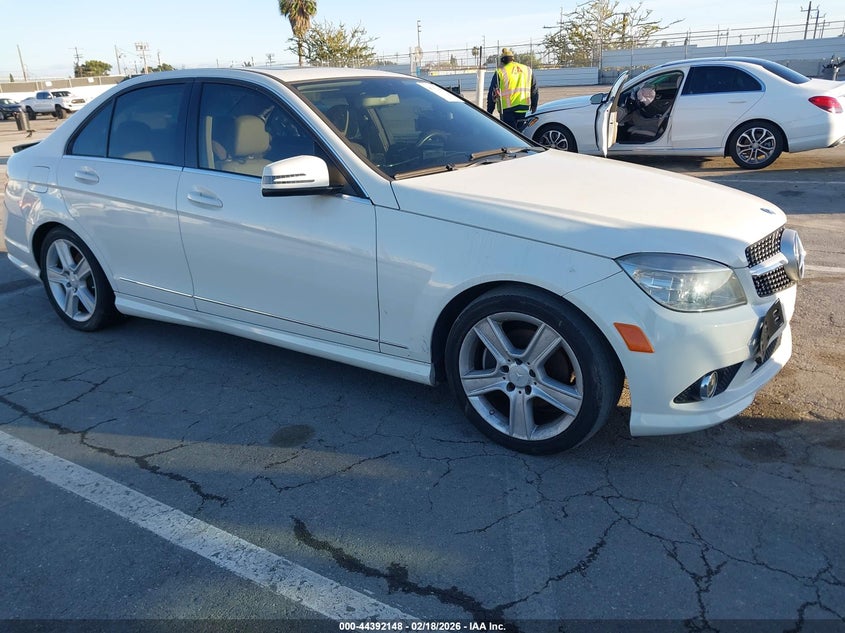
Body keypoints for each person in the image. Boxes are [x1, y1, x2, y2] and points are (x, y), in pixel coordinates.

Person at [486, 48, 539, 130]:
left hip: (507, 110)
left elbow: (492, 93)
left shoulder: (500, 72)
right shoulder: (527, 70)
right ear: (513, 58)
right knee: (518, 134)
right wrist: (534, 105)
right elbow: (534, 89)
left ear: (502, 60)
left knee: (510, 134)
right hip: (523, 107)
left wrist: (489, 111)